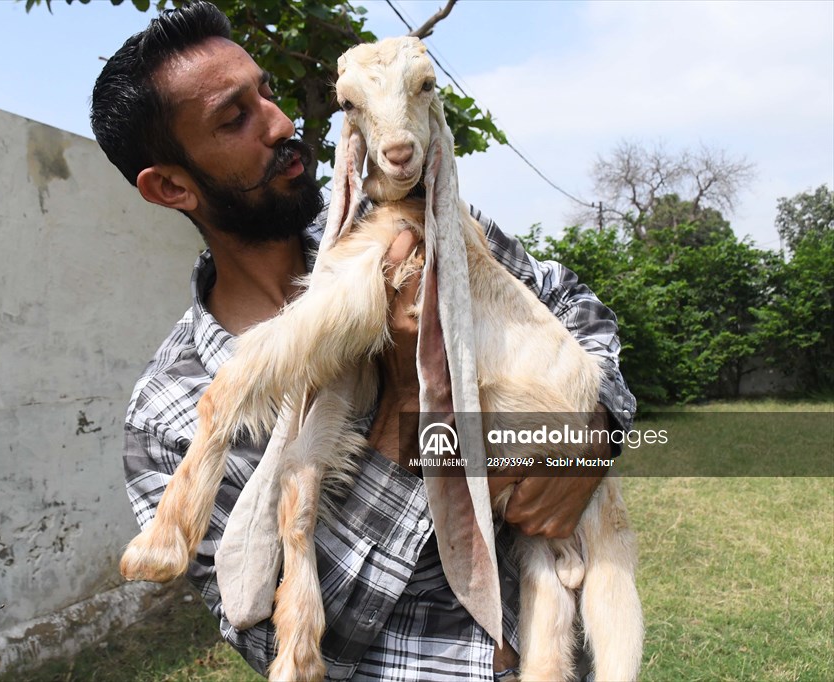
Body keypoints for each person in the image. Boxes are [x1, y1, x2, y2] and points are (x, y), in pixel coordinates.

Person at [90, 2, 636, 680]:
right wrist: (406, 405)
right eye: (235, 119)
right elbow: (283, 648)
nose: (282, 124)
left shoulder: (435, 227)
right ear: (171, 185)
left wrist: (593, 432)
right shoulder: (166, 417)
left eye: (266, 92)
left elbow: (575, 310)